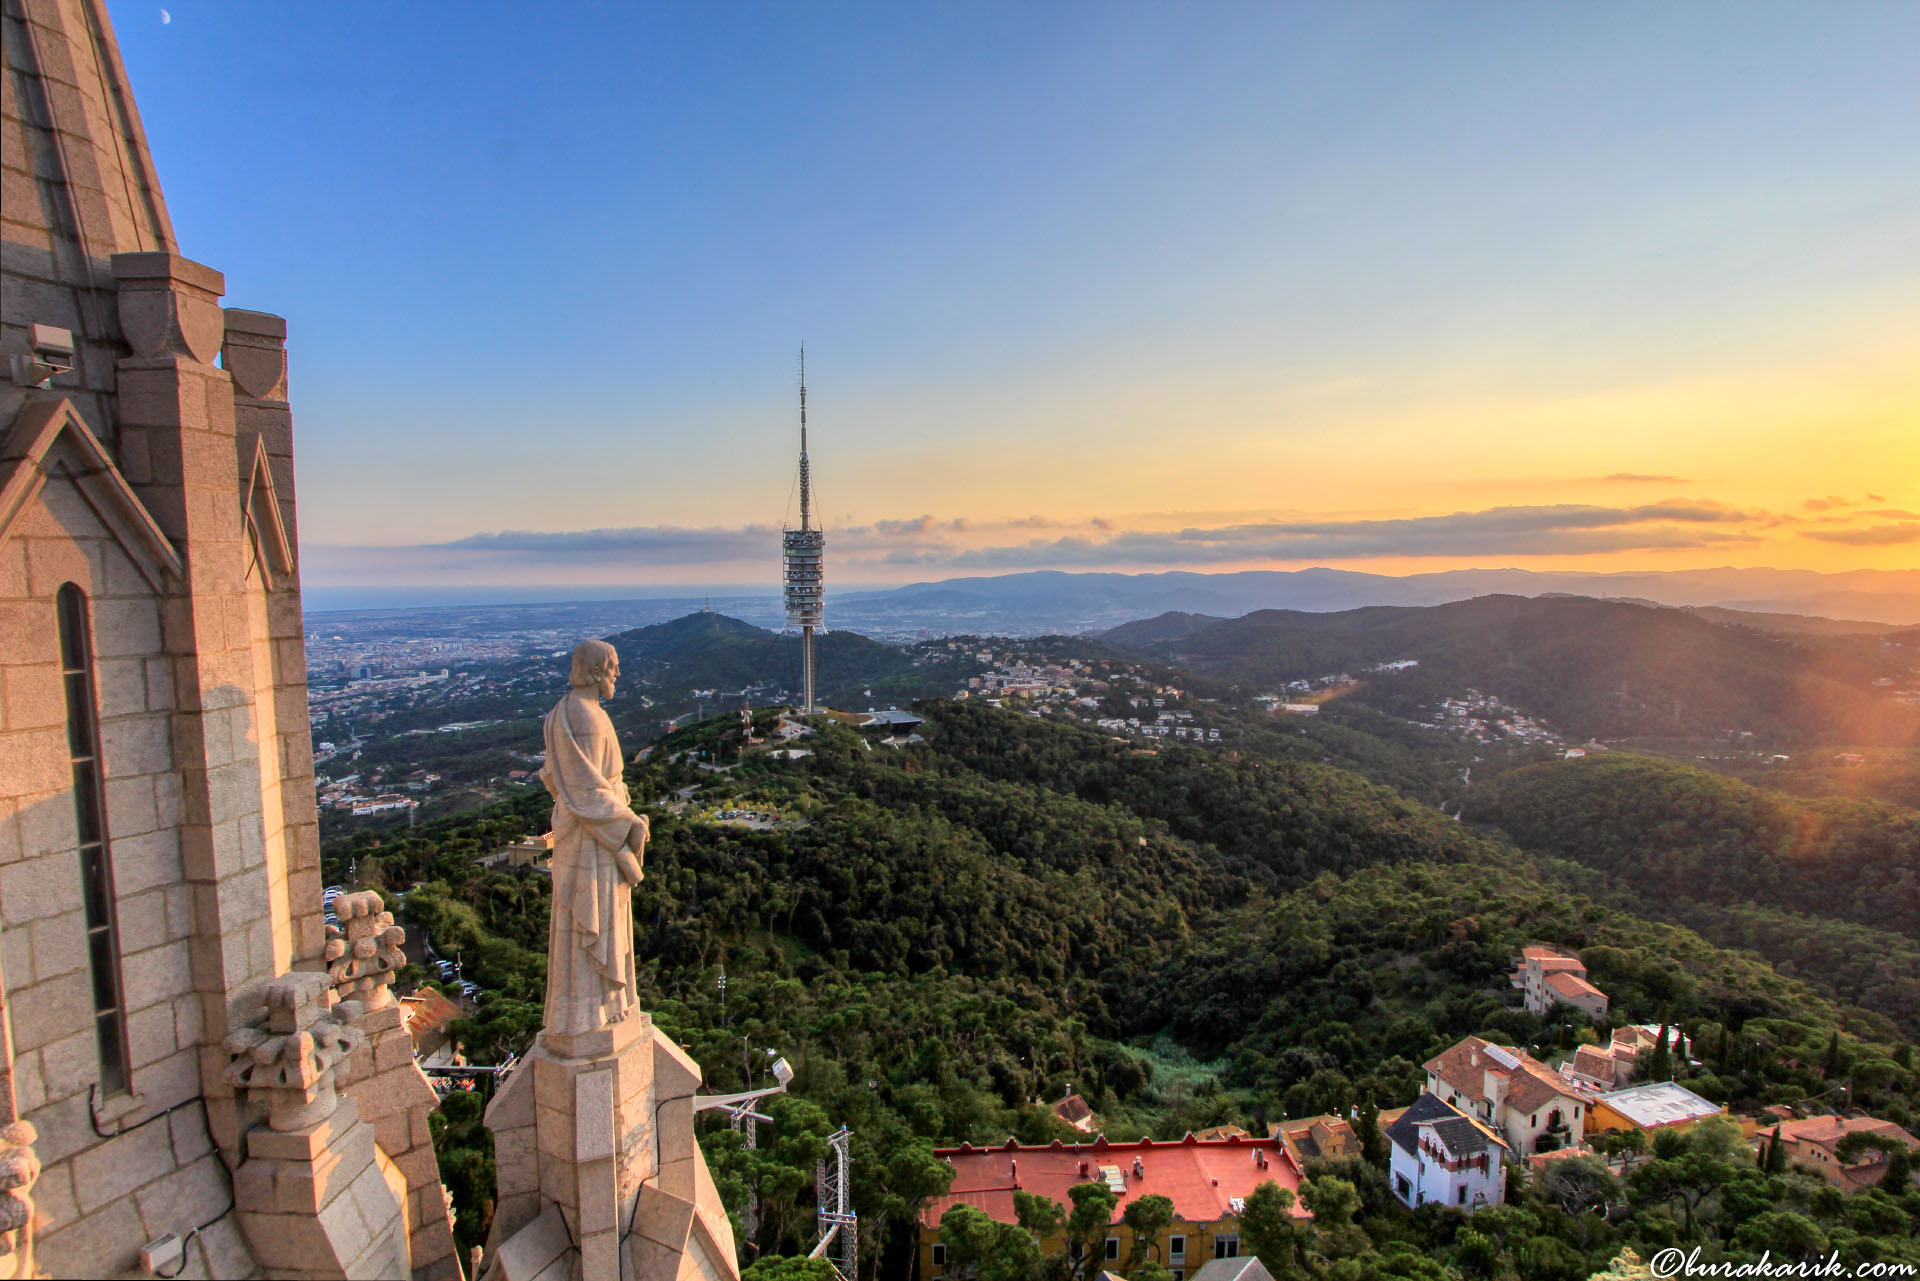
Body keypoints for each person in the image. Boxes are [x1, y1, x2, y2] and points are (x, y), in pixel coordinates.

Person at [539, 639, 647, 1037]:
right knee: (599, 920)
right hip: (595, 834)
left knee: (591, 922)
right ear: (597, 669)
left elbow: (555, 778)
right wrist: (629, 821)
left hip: (582, 827)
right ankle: (597, 1008)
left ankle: (590, 1008)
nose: (617, 673)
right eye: (613, 666)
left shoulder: (561, 713)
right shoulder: (588, 718)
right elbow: (588, 790)